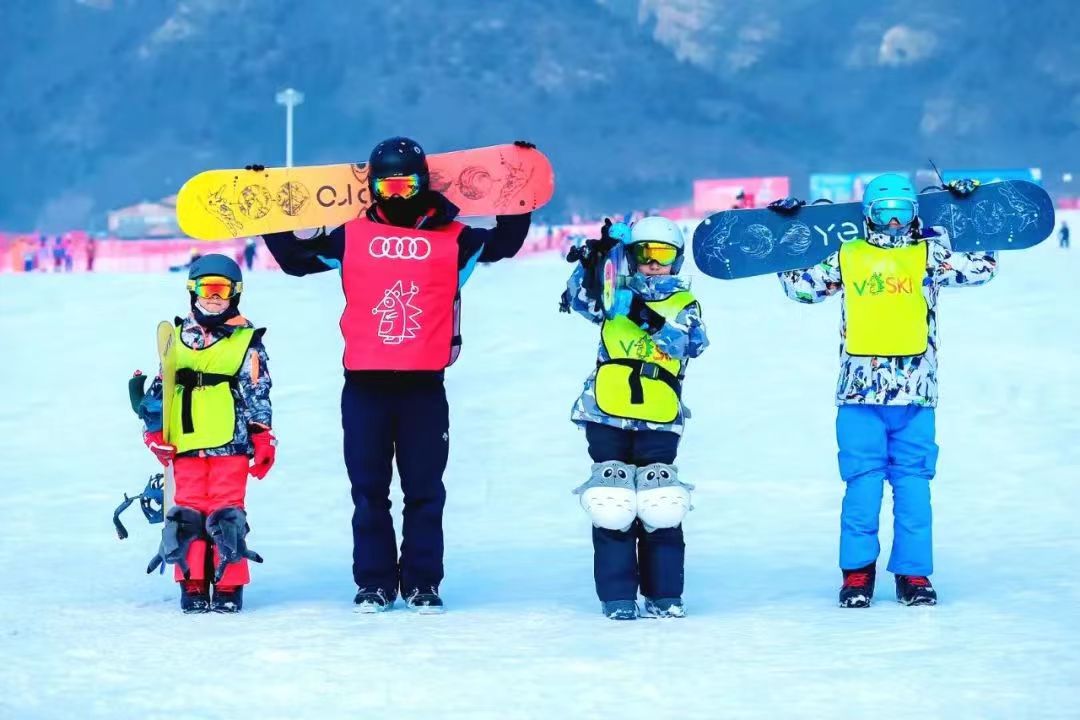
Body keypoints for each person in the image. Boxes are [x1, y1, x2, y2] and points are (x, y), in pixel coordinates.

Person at [262, 136, 534, 613]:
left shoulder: (455, 239)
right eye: (386, 186)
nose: (396, 195)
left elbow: (505, 243)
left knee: (424, 492)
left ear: (422, 183)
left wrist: (518, 181)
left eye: (406, 185)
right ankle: (375, 583)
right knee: (369, 493)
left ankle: (423, 582)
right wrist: (266, 209)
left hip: (422, 387)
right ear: (372, 188)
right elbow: (295, 260)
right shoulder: (350, 236)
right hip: (365, 387)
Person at [770, 174, 997, 608]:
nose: (894, 223)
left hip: (915, 394)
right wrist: (786, 235)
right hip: (860, 395)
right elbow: (801, 288)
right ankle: (857, 572)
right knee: (863, 486)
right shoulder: (848, 254)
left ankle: (914, 573)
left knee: (914, 489)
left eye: (902, 212)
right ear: (868, 214)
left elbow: (981, 269)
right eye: (884, 213)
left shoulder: (928, 253)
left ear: (914, 213)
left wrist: (971, 214)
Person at [564, 216, 709, 620]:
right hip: (606, 411)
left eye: (662, 255)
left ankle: (665, 593)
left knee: (659, 502)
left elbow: (690, 344)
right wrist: (594, 261)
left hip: (658, 416)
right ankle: (618, 595)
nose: (653, 264)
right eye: (644, 254)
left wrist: (642, 314)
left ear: (677, 260)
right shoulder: (611, 295)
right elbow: (578, 298)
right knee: (612, 503)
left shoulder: (684, 303)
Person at [138, 254, 276, 613]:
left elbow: (257, 391)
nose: (214, 298)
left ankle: (229, 582)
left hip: (230, 441)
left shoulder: (246, 341)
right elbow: (160, 390)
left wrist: (262, 436)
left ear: (235, 293)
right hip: (185, 442)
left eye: (222, 290)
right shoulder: (176, 339)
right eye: (206, 289)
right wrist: (153, 431)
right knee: (188, 509)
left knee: (227, 509)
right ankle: (192, 579)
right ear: (193, 291)